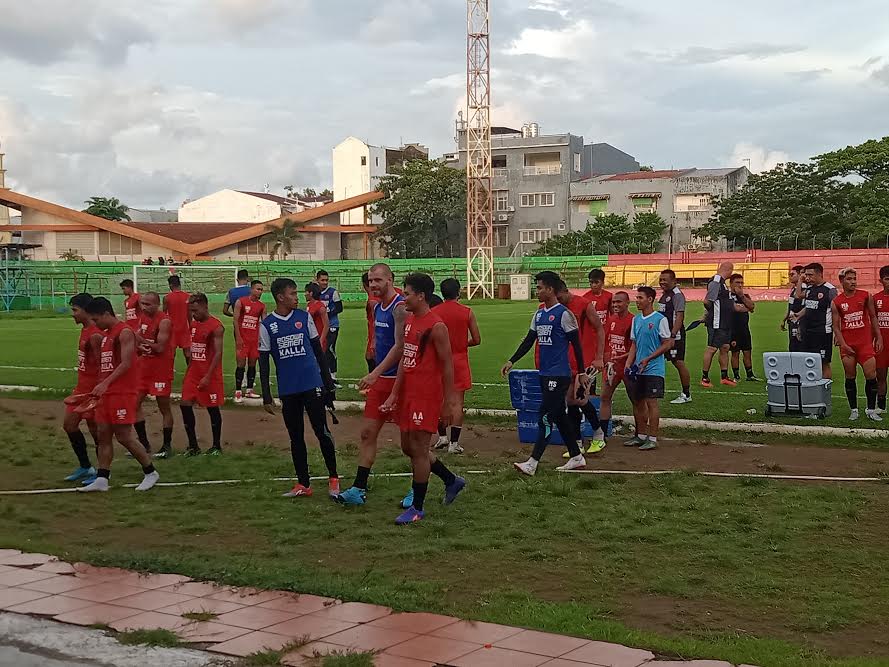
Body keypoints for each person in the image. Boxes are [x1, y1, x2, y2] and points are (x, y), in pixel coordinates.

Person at [380, 273, 466, 524]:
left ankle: (417, 507)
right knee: (408, 447)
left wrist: (448, 403)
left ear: (420, 296)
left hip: (426, 396)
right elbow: (406, 362)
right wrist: (395, 393)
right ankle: (451, 480)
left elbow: (448, 366)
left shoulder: (436, 326)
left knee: (418, 450)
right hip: (409, 394)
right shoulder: (410, 322)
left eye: (406, 293)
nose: (403, 297)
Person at [259, 278, 339, 498]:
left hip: (312, 384)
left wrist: (328, 384)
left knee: (322, 431)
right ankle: (304, 483)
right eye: (293, 293)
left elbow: (318, 352)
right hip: (288, 389)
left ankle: (334, 478)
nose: (297, 297)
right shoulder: (267, 326)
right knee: (296, 437)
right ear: (280, 297)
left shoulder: (304, 318)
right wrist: (267, 395)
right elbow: (264, 363)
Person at [502, 271, 588, 476]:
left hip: (559, 375)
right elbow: (529, 340)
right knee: (558, 415)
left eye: (540, 287)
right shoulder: (539, 314)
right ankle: (576, 456)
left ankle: (532, 462)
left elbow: (577, 345)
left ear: (551, 289)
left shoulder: (564, 314)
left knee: (545, 417)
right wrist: (512, 360)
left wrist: (582, 373)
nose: (537, 291)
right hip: (545, 373)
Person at [336, 264, 406, 506]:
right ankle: (358, 488)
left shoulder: (400, 307)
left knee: (411, 444)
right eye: (370, 280)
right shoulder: (376, 307)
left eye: (378, 280)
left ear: (390, 279)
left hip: (401, 381)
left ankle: (432, 484)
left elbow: (401, 348)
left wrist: (375, 372)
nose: (373, 284)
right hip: (381, 382)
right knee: (367, 433)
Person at [78, 298, 159, 493]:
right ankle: (102, 478)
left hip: (122, 392)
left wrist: (105, 382)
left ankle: (150, 472)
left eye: (96, 319)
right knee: (103, 435)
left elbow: (126, 363)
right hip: (107, 393)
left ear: (106, 314)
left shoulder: (123, 332)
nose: (95, 324)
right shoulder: (107, 335)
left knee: (124, 437)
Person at [553, 281, 605, 457]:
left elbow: (599, 329)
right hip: (566, 361)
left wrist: (599, 357)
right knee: (571, 401)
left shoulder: (583, 304)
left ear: (565, 291)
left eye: (560, 297)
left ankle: (598, 434)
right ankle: (577, 444)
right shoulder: (555, 307)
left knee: (579, 399)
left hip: (585, 361)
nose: (559, 301)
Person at [432, 278, 481, 454]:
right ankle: (454, 443)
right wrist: (461, 343)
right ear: (458, 291)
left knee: (439, 400)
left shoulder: (435, 312)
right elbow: (477, 339)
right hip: (459, 360)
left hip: (438, 360)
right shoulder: (466, 312)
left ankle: (442, 437)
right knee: (457, 403)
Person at [624, 286, 674, 451]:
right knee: (638, 402)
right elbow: (634, 344)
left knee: (652, 403)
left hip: (654, 369)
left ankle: (652, 438)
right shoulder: (636, 320)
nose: (637, 301)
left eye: (640, 298)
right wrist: (628, 363)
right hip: (638, 369)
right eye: (636, 298)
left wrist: (648, 358)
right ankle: (641, 435)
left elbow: (667, 344)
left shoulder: (660, 319)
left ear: (650, 299)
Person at [832, 268, 882, 421]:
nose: (853, 281)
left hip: (865, 344)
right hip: (848, 345)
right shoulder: (836, 302)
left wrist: (878, 337)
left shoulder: (866, 296)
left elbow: (873, 317)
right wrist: (843, 344)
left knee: (871, 376)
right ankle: (853, 410)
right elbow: (835, 326)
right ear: (841, 281)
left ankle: (871, 410)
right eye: (849, 279)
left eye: (854, 278)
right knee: (850, 377)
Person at [63, 293, 101, 482]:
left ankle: (102, 474)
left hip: (92, 391)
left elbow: (103, 365)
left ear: (86, 311)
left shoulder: (94, 334)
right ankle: (86, 466)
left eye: (75, 310)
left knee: (96, 432)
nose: (73, 314)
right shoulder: (85, 330)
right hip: (81, 389)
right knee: (69, 425)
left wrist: (98, 391)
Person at [181, 293, 225, 455]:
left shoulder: (216, 327)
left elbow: (218, 353)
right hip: (194, 372)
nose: (193, 314)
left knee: (212, 408)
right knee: (185, 404)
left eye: (195, 310)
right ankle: (193, 446)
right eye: (191, 311)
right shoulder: (194, 324)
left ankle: (216, 445)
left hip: (210, 374)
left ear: (205, 306)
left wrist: (207, 376)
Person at [135, 292, 175, 458]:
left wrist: (139, 339)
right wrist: (139, 345)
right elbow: (140, 341)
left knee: (163, 407)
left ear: (157, 304)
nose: (144, 307)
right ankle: (144, 445)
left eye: (148, 304)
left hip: (160, 370)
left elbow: (159, 348)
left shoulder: (164, 321)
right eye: (142, 303)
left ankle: (166, 446)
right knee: (133, 404)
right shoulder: (142, 318)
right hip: (144, 368)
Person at [598, 291, 633, 445]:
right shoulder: (610, 320)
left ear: (627, 303)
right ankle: (602, 434)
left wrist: (624, 359)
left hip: (627, 366)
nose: (615, 305)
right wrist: (606, 361)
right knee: (605, 397)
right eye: (613, 302)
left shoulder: (633, 321)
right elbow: (606, 342)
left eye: (619, 302)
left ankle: (642, 433)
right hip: (611, 366)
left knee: (636, 400)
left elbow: (635, 348)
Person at [789, 262, 835, 379]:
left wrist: (836, 333)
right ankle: (810, 388)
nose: (807, 278)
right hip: (808, 331)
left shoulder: (829, 290)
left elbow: (836, 312)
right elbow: (799, 295)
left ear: (820, 274)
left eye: (810, 275)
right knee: (807, 360)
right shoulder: (810, 289)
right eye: (806, 275)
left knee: (823, 362)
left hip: (822, 332)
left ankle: (825, 390)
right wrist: (800, 280)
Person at [658, 269, 692, 404]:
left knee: (678, 362)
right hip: (664, 335)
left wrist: (672, 335)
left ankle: (686, 394)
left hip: (674, 336)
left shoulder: (677, 295)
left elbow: (679, 316)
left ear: (674, 281)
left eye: (665, 280)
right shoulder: (665, 294)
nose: (662, 282)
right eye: (660, 280)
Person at [700, 262, 736, 388]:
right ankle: (704, 378)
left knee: (725, 347)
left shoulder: (721, 282)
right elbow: (707, 301)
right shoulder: (716, 281)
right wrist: (710, 314)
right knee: (712, 348)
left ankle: (724, 376)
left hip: (724, 322)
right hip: (717, 322)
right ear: (729, 270)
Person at [232, 280, 265, 403]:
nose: (260, 291)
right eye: (258, 289)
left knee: (252, 365)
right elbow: (235, 321)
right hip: (243, 339)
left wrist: (261, 339)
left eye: (261, 289)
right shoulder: (241, 302)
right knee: (240, 365)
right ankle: (238, 392)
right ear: (251, 289)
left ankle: (250, 390)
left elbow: (264, 323)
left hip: (254, 340)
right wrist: (238, 337)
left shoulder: (262, 306)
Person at [728, 274, 759, 382]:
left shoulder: (745, 296)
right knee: (735, 353)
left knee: (747, 351)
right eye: (737, 282)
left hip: (744, 328)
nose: (740, 285)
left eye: (742, 283)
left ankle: (750, 375)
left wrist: (741, 297)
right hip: (732, 329)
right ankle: (736, 376)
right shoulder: (727, 296)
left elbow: (751, 306)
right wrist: (745, 308)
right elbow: (733, 309)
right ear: (731, 283)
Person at [316, 270, 343, 384]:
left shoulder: (333, 292)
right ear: (317, 280)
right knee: (319, 350)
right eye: (322, 280)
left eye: (326, 280)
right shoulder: (315, 293)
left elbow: (339, 308)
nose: (325, 282)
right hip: (319, 327)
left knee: (329, 349)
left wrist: (326, 313)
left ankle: (333, 375)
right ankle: (321, 374)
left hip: (332, 325)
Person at [163, 275, 192, 365]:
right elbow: (190, 314)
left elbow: (164, 315)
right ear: (179, 284)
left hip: (172, 329)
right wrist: (190, 327)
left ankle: (169, 373)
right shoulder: (188, 296)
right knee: (187, 352)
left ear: (170, 285)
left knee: (171, 353)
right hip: (184, 328)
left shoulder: (167, 298)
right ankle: (191, 372)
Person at [873, 265, 889, 413]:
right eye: (887, 279)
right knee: (881, 376)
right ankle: (881, 406)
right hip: (881, 345)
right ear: (881, 280)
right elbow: (872, 322)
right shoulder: (876, 299)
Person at [781, 265, 805, 352]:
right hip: (792, 321)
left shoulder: (804, 289)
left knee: (798, 347)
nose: (790, 276)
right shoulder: (793, 289)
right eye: (789, 274)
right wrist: (784, 319)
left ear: (799, 275)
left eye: (792, 274)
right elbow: (790, 305)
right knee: (792, 346)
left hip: (799, 322)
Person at [305, 282, 330, 352]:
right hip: (311, 339)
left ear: (311, 293)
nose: (304, 294)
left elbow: (326, 325)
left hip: (318, 339)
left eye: (306, 292)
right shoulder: (309, 304)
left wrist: (321, 340)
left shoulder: (320, 306)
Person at [362, 271, 378, 373]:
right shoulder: (397, 292)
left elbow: (376, 322)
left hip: (377, 335)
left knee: (370, 358)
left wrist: (373, 341)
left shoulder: (373, 300)